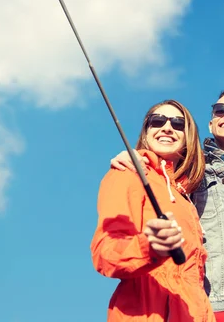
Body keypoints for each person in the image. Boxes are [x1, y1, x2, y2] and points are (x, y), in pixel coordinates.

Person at [110, 85, 224, 322]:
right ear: (211, 124)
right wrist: (137, 155)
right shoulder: (191, 166)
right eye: (221, 109)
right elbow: (161, 163)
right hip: (213, 303)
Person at [90, 100, 215, 322]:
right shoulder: (126, 173)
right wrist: (149, 247)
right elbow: (106, 253)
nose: (167, 127)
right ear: (146, 133)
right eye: (157, 121)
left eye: (178, 124)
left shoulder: (185, 198)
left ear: (188, 138)